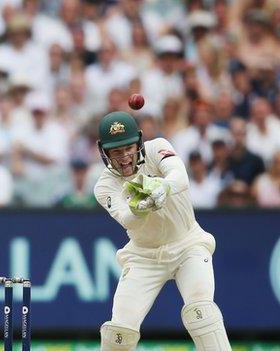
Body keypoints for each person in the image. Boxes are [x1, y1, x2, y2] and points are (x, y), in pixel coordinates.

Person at [93, 111, 231, 350]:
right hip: (143, 256)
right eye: (116, 152)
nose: (125, 157)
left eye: (128, 148)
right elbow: (127, 219)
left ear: (139, 142)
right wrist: (141, 207)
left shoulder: (158, 148)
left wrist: (162, 187)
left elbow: (180, 177)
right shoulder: (104, 185)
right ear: (104, 152)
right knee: (120, 331)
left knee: (200, 310)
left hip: (188, 245)